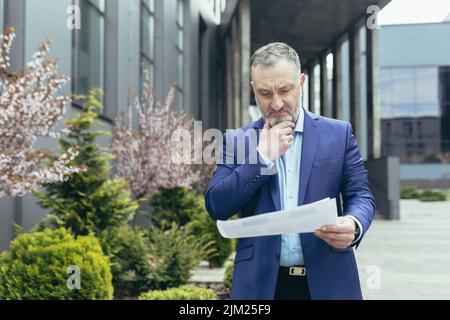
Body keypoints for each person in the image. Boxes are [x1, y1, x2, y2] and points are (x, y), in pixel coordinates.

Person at [205, 42, 375, 300]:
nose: (276, 103)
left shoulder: (339, 134)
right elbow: (217, 205)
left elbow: (361, 195)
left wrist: (354, 224)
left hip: (329, 282)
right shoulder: (237, 141)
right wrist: (261, 158)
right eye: (264, 93)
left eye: (285, 90)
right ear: (253, 89)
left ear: (301, 81)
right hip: (261, 287)